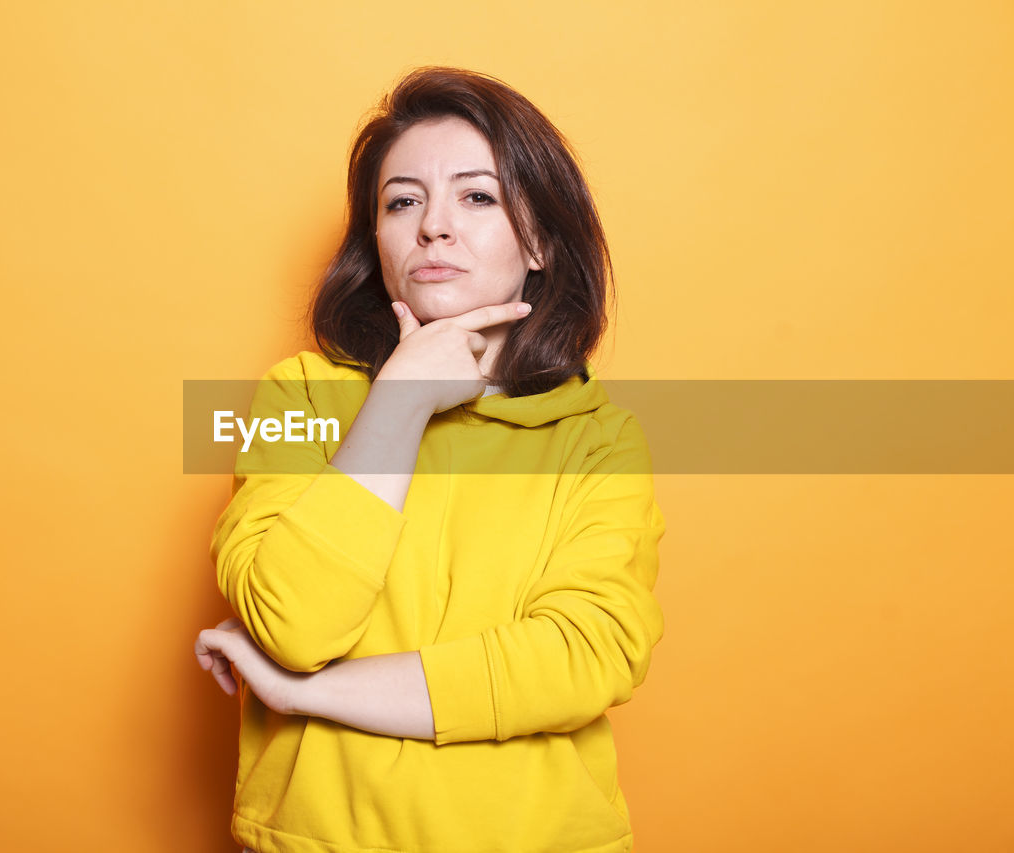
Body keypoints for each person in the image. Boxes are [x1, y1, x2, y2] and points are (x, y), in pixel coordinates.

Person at [194, 66, 665, 853]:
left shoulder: (599, 439)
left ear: (541, 239)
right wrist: (399, 401)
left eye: (477, 196)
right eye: (402, 200)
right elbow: (291, 623)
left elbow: (582, 656)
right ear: (373, 241)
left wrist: (308, 694)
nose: (433, 227)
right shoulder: (296, 400)